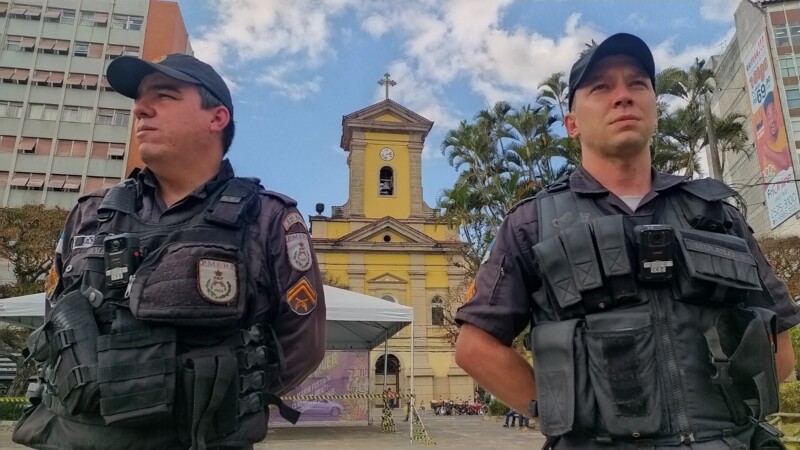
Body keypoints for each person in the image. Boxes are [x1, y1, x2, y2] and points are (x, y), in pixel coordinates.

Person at [454, 33, 800, 450]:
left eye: (637, 83)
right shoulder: (532, 223)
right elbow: (475, 347)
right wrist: (561, 411)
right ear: (572, 123)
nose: (623, 96)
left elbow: (777, 337)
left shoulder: (715, 214)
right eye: (601, 87)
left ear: (655, 107)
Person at [13, 53, 327, 450]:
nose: (141, 109)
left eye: (164, 95)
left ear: (216, 118)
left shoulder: (268, 218)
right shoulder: (90, 213)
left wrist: (218, 406)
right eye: (140, 99)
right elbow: (55, 319)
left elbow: (302, 344)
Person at [757, 90, 793, 177]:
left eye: (773, 113)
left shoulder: (783, 133)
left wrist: (768, 152)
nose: (772, 120)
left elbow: (786, 162)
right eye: (769, 116)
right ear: (765, 119)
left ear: (777, 114)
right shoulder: (765, 147)